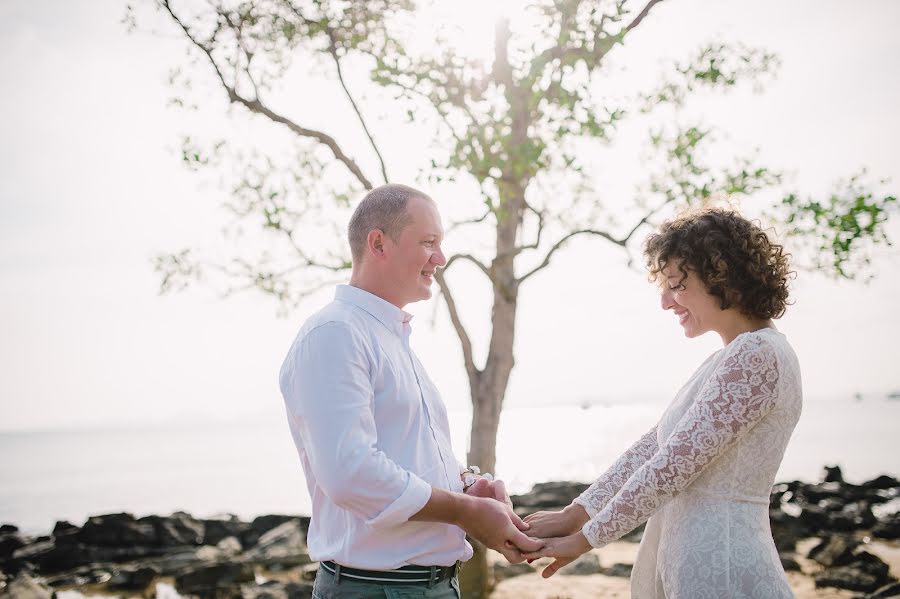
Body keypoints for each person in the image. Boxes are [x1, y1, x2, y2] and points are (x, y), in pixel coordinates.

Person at [278, 184, 541, 599]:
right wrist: (468, 512)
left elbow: (408, 453)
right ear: (379, 243)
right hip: (373, 590)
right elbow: (351, 473)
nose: (440, 258)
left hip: (432, 587)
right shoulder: (335, 334)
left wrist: (468, 485)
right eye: (428, 242)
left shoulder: (390, 339)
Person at [523, 208, 801, 598]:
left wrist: (586, 539)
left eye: (676, 285)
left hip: (723, 568)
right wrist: (576, 514)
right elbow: (655, 448)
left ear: (722, 276)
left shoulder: (757, 354)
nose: (666, 303)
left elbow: (671, 467)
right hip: (694, 561)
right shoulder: (731, 356)